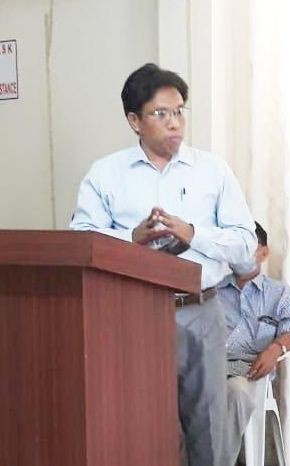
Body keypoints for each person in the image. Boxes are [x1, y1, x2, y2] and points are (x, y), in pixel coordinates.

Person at [70, 63, 256, 466]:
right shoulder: (105, 175)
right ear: (134, 120)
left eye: (180, 111)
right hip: (130, 316)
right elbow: (80, 242)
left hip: (200, 310)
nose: (175, 123)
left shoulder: (213, 170)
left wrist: (193, 233)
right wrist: (131, 240)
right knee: (139, 422)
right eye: (161, 114)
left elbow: (245, 245)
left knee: (207, 425)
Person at [218, 221, 290, 465]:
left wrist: (276, 348)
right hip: (209, 369)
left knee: (236, 392)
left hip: (250, 372)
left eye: (247, 245)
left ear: (264, 252)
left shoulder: (280, 294)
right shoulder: (211, 290)